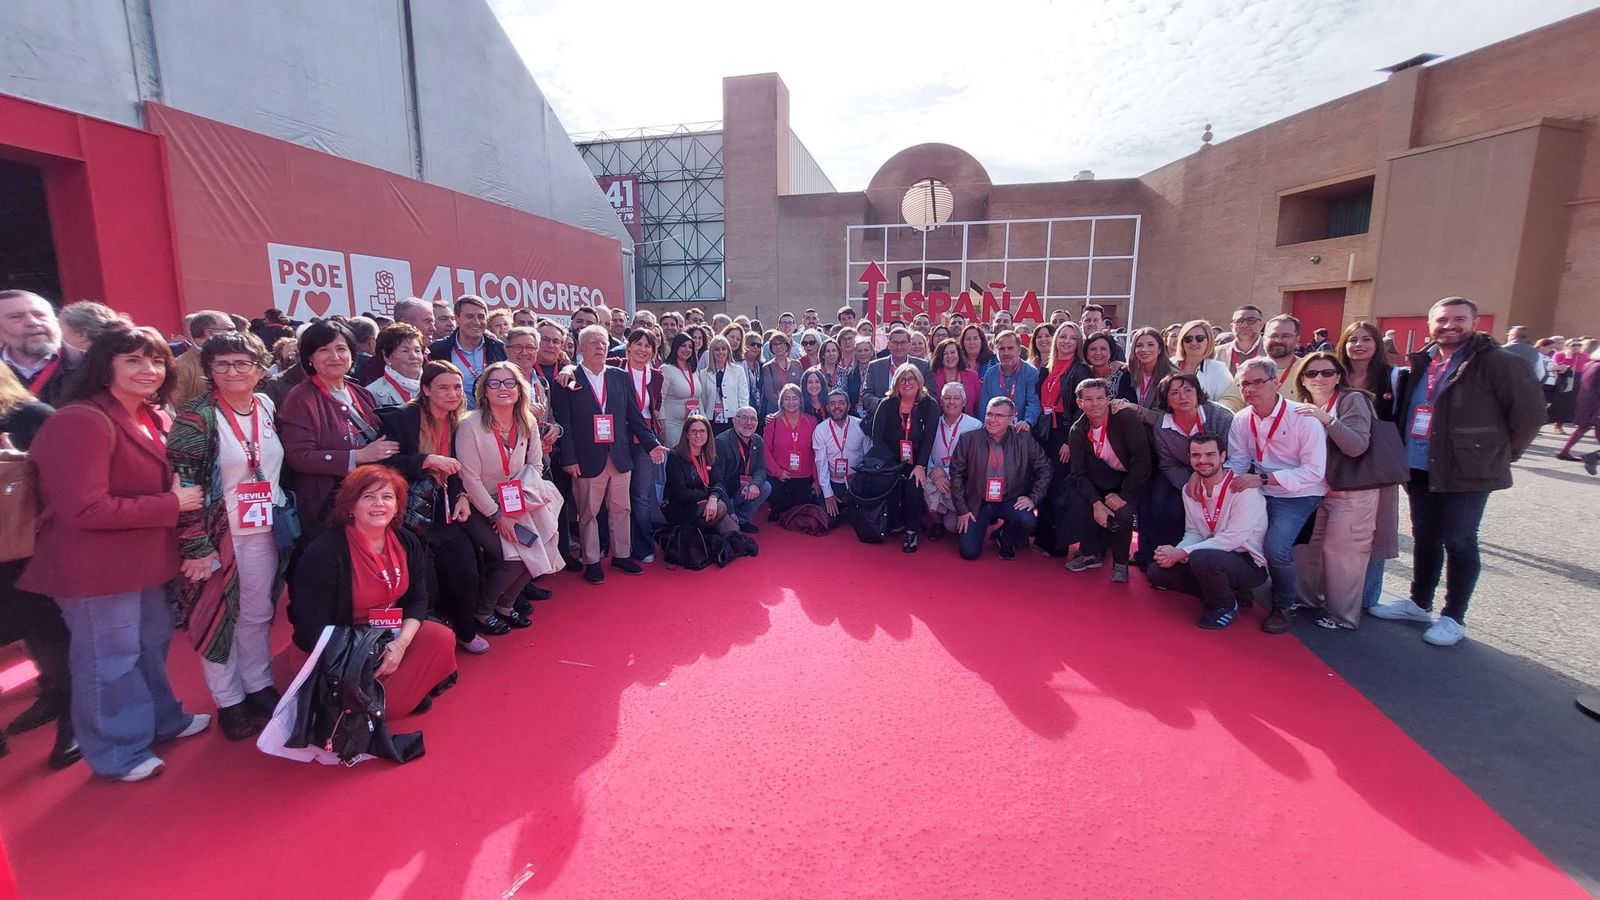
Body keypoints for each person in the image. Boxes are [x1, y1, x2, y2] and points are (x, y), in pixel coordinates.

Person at [21, 324, 210, 781]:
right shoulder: (79, 421)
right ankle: (117, 750)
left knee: (149, 645)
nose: (148, 369)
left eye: (156, 360)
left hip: (143, 561)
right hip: (95, 569)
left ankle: (162, 719)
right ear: (104, 365)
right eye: (133, 360)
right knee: (108, 660)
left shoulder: (153, 415)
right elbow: (82, 508)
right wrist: (171, 504)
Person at [1369, 297, 1545, 646]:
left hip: (1467, 468)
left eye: (1459, 319)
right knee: (1425, 536)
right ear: (1429, 325)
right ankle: (1419, 603)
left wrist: (1498, 454)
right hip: (1419, 464)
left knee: (1460, 540)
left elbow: (1530, 415)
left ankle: (1453, 616)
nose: (1449, 326)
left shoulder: (1497, 362)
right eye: (1442, 320)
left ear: (1475, 322)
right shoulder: (1425, 360)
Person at [166, 332, 287, 741]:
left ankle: (258, 685)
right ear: (209, 370)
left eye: (242, 363)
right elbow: (184, 487)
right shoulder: (195, 418)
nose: (233, 371)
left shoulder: (265, 405)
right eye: (222, 364)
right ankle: (229, 700)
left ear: (259, 369)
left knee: (258, 613)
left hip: (264, 529)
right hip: (217, 536)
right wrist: (195, 546)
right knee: (218, 619)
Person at [287, 465, 457, 717]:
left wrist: (400, 645)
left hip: (385, 635)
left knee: (440, 637)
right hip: (338, 649)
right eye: (368, 496)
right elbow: (310, 628)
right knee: (380, 709)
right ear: (350, 506)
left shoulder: (406, 541)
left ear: (397, 506)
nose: (379, 504)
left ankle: (383, 693)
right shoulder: (325, 552)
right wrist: (365, 653)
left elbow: (417, 599)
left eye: (387, 497)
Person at [375, 361, 488, 653]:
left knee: (466, 572)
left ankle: (465, 632)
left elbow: (465, 468)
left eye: (457, 387)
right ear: (425, 389)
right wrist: (424, 460)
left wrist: (464, 497)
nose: (452, 394)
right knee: (425, 582)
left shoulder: (461, 422)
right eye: (443, 388)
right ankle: (428, 647)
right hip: (410, 514)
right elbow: (382, 464)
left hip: (447, 508)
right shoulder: (403, 418)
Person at [0, 364, 78, 769]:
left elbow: (67, 482)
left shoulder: (28, 416)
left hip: (24, 550)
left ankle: (72, 717)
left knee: (46, 630)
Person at [553, 325, 666, 584]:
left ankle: (621, 555)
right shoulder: (567, 379)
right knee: (589, 513)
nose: (599, 347)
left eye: (603, 343)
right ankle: (592, 560)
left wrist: (652, 444)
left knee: (622, 509)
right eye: (593, 342)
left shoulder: (620, 377)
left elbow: (634, 417)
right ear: (581, 347)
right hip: (586, 458)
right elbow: (564, 422)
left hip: (619, 456)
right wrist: (569, 458)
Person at [1222, 357, 1326, 633]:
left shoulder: (1303, 418)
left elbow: (1315, 471)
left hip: (1298, 493)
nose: (1250, 389)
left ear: (1276, 383)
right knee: (1235, 533)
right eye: (1244, 384)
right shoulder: (1242, 418)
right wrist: (1213, 480)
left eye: (1257, 382)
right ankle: (1241, 587)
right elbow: (1238, 461)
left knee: (1276, 548)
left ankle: (1283, 605)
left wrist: (1265, 479)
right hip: (1260, 486)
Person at [458, 361, 564, 629]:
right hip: (480, 505)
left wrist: (520, 503)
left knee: (540, 549)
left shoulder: (527, 420)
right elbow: (470, 479)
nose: (502, 388)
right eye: (494, 383)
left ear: (519, 389)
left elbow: (536, 465)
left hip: (519, 501)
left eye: (509, 382)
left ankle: (505, 605)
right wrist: (497, 515)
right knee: (514, 559)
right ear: (484, 391)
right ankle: (483, 613)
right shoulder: (469, 425)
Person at [278, 321, 397, 544]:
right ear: (309, 357)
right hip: (328, 508)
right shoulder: (301, 397)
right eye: (324, 350)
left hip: (371, 501)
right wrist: (357, 456)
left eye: (341, 349)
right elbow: (298, 456)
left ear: (352, 354)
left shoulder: (360, 393)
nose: (334, 356)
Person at [1290, 352, 1380, 630]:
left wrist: (1327, 420)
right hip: (1315, 489)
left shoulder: (1352, 400)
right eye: (1312, 373)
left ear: (1339, 376)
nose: (1319, 378)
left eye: (1327, 372)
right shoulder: (1302, 406)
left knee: (1343, 554)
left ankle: (1343, 616)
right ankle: (1306, 599)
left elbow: (1357, 446)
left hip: (1351, 490)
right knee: (1307, 548)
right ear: (1302, 379)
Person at [1147, 435, 1270, 629]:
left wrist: (1182, 553)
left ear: (1223, 456)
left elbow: (1233, 539)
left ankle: (1225, 606)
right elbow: (1193, 532)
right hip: (1209, 556)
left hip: (1247, 563)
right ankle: (1231, 593)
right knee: (1156, 571)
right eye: (1196, 455)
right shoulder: (1190, 489)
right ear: (1189, 458)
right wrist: (1174, 554)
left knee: (1202, 558)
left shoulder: (1244, 490)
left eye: (1210, 454)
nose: (1202, 460)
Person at [1335, 321, 1403, 609]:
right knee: (1335, 529)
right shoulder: (1333, 374)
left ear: (1377, 344)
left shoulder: (1395, 378)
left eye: (1366, 339)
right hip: (1337, 458)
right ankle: (1333, 592)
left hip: (1377, 463)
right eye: (1353, 340)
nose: (1359, 345)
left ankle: (1367, 596)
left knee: (1375, 530)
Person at [1062, 379, 1152, 583]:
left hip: (1133, 478)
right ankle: (1090, 553)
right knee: (1080, 500)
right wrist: (1096, 502)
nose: (1095, 404)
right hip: (1103, 477)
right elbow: (1078, 473)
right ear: (1079, 403)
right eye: (1088, 399)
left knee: (1123, 513)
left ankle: (1120, 562)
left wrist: (1124, 495)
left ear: (1108, 399)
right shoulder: (1077, 430)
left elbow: (1143, 461)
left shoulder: (1125, 418)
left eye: (1100, 398)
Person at [949, 397, 1051, 560]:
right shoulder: (968, 439)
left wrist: (1033, 498)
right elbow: (956, 474)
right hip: (978, 502)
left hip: (1010, 499)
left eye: (999, 416)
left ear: (1011, 419)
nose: (992, 419)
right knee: (969, 552)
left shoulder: (1023, 439)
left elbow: (1045, 467)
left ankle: (1006, 537)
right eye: (989, 414)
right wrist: (962, 510)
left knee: (1027, 520)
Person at [869, 364, 938, 552]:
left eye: (911, 379)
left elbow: (929, 439)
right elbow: (877, 439)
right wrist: (890, 466)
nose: (907, 383)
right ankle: (895, 521)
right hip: (891, 460)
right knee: (890, 485)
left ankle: (911, 531)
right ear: (896, 383)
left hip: (917, 460)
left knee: (913, 487)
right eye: (902, 379)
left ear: (919, 381)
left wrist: (920, 465)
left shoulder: (929, 405)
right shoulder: (887, 404)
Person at [614, 329, 668, 561]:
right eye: (638, 343)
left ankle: (644, 546)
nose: (642, 349)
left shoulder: (656, 376)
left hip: (645, 440)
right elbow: (584, 366)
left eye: (648, 346)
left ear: (653, 351)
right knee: (617, 495)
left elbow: (655, 406)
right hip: (618, 438)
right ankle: (616, 545)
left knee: (641, 495)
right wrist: (566, 369)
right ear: (628, 347)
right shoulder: (614, 367)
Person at [663, 414, 742, 542]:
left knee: (733, 533)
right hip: (681, 505)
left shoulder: (710, 453)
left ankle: (703, 534)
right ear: (686, 434)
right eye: (693, 431)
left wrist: (713, 498)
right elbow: (680, 492)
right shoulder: (675, 456)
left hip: (707, 501)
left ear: (708, 434)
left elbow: (718, 482)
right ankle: (692, 534)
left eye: (702, 431)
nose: (698, 435)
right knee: (721, 508)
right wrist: (709, 497)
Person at [428, 296, 506, 406]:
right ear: (457, 319)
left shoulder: (500, 348)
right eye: (469, 316)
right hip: (454, 414)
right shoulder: (437, 350)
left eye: (481, 317)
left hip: (493, 413)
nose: (476, 322)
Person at [812, 388, 871, 521]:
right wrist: (828, 495)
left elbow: (868, 458)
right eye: (832, 403)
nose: (837, 407)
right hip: (834, 483)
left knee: (865, 522)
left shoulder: (861, 425)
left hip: (857, 482)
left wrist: (864, 485)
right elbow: (821, 464)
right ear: (827, 407)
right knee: (828, 520)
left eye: (841, 403)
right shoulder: (820, 430)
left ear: (848, 406)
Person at [763, 383, 819, 518]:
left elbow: (816, 453)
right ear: (781, 402)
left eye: (795, 398)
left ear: (801, 401)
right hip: (779, 476)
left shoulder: (812, 421)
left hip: (803, 475)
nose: (791, 402)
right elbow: (765, 450)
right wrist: (778, 472)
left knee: (800, 508)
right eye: (787, 399)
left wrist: (816, 480)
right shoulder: (773, 422)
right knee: (777, 499)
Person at [714, 406, 770, 531]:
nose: (749, 423)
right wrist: (730, 511)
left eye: (753, 419)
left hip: (744, 490)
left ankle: (742, 520)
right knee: (731, 531)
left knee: (766, 487)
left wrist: (755, 484)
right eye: (744, 418)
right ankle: (733, 517)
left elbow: (761, 469)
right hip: (726, 495)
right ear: (734, 421)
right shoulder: (721, 442)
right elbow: (717, 481)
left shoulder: (758, 441)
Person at [861, 326, 932, 423]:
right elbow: (866, 395)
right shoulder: (875, 366)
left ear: (909, 344)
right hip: (883, 421)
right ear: (888, 344)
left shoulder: (922, 366)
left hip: (913, 420)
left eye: (903, 342)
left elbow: (930, 394)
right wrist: (882, 405)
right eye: (895, 342)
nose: (899, 347)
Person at [167, 310, 236, 409]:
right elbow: (174, 407)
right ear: (209, 333)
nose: (236, 333)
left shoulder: (238, 358)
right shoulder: (181, 366)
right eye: (230, 329)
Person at [1111, 326, 1177, 427]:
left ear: (1160, 349)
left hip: (1159, 432)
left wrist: (1136, 408)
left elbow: (1164, 418)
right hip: (1131, 428)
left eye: (1150, 345)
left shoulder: (1172, 377)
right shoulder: (1128, 372)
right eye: (1139, 345)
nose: (1144, 349)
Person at [980, 330, 1041, 432]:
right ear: (996, 351)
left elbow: (1033, 403)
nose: (1006, 353)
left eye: (1010, 348)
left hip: (1021, 430)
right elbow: (984, 406)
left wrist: (1027, 422)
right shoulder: (990, 374)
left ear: (1019, 349)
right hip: (994, 431)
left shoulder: (1030, 372)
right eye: (1001, 349)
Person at [366, 323, 427, 408]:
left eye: (417, 351)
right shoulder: (372, 394)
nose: (414, 356)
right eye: (405, 351)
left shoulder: (435, 385)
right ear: (386, 356)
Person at [698, 334, 748, 436]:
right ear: (711, 352)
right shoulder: (704, 374)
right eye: (716, 349)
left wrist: (742, 417)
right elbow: (701, 399)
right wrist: (703, 418)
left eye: (724, 349)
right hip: (711, 419)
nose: (721, 352)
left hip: (732, 418)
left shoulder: (738, 370)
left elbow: (743, 396)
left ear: (728, 351)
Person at [1172, 319, 1233, 400]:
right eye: (1188, 339)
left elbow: (1225, 401)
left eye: (1199, 338)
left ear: (1209, 341)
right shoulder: (1170, 364)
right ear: (1182, 342)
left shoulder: (1218, 369)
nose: (1194, 343)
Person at [659, 333, 701, 448]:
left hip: (692, 424)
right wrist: (662, 428)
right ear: (676, 347)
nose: (687, 349)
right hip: (672, 424)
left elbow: (698, 398)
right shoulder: (666, 369)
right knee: (676, 455)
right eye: (683, 345)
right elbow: (660, 400)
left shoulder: (693, 370)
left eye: (690, 347)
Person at [931, 338, 981, 417]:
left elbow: (978, 404)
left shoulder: (972, 375)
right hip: (939, 422)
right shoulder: (932, 376)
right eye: (945, 353)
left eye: (953, 352)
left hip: (968, 421)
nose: (949, 356)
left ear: (959, 354)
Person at [760, 331, 804, 419]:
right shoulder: (767, 367)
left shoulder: (797, 364)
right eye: (775, 344)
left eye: (781, 343)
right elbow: (769, 393)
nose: (778, 347)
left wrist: (794, 405)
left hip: (796, 410)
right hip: (775, 412)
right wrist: (784, 408)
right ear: (771, 348)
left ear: (787, 345)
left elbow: (801, 388)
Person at [1215, 305, 1266, 374]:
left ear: (1261, 325)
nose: (1244, 325)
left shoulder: (1271, 352)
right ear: (1232, 326)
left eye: (1251, 320)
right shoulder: (1216, 353)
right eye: (1239, 321)